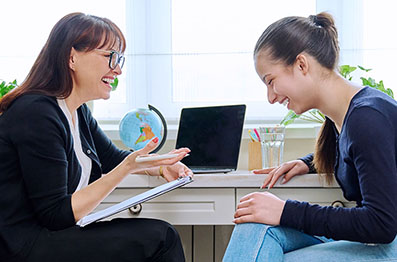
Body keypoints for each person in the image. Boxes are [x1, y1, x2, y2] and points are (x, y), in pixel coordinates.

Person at [0, 13, 192, 262]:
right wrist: (127, 169)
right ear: (72, 57)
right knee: (161, 238)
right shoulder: (36, 112)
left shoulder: (76, 110)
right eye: (109, 56)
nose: (118, 69)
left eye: (119, 58)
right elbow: (56, 214)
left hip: (49, 237)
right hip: (23, 246)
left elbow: (112, 157)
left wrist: (162, 167)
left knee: (158, 236)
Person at [223, 12, 397, 261]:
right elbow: (359, 154)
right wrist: (308, 162)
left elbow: (382, 224)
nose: (270, 97)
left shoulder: (367, 118)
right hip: (379, 237)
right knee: (254, 226)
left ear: (302, 64)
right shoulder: (347, 114)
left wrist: (286, 211)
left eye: (271, 81)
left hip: (388, 241)